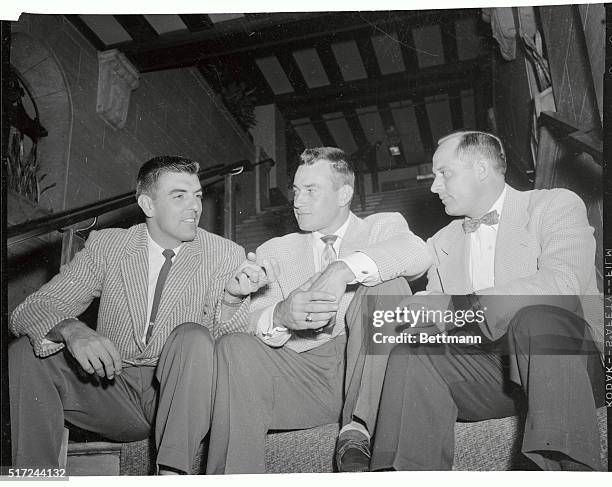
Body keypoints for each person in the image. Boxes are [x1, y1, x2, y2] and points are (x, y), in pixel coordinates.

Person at [370, 131, 604, 471]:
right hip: (493, 378)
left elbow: (562, 283)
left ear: (481, 168)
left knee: (537, 317)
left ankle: (569, 469)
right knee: (412, 355)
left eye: (443, 173)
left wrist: (457, 308)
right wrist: (415, 319)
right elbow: (436, 316)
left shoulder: (554, 205)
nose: (434, 186)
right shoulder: (441, 241)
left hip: (571, 366)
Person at [9, 155, 257, 474]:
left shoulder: (224, 254)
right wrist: (72, 329)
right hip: (114, 388)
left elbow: (231, 350)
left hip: (182, 392)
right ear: (148, 205)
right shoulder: (109, 246)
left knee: (192, 335)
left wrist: (233, 300)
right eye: (179, 195)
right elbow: (29, 310)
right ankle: (34, 477)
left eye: (197, 195)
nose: (195, 206)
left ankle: (172, 473)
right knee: (26, 353)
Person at [206, 147, 432, 474]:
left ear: (344, 194)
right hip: (305, 376)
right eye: (296, 191)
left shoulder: (381, 227)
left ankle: (358, 428)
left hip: (371, 366)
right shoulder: (275, 249)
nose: (298, 202)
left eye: (311, 191)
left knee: (387, 286)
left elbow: (417, 254)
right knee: (233, 346)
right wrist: (281, 314)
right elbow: (248, 322)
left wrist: (340, 269)